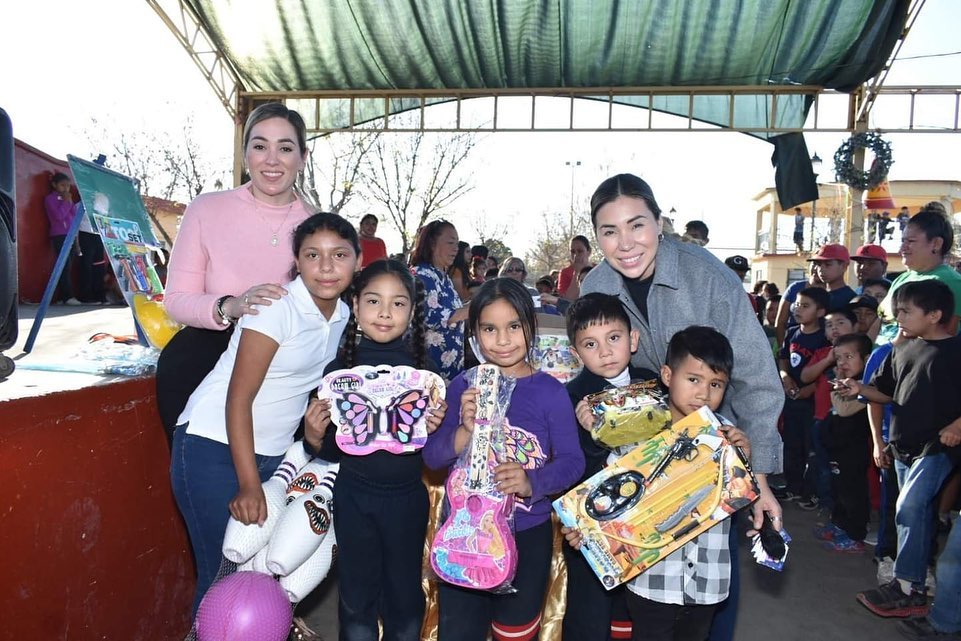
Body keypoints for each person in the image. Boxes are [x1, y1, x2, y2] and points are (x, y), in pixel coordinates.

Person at [578, 173, 783, 641]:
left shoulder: (707, 277)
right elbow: (594, 360)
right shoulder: (597, 282)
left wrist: (761, 481)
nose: (625, 244)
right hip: (644, 446)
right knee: (652, 578)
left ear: (659, 222)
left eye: (637, 226)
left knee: (712, 576)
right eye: (609, 232)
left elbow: (756, 381)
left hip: (715, 444)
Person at [169, 212, 358, 614]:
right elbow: (238, 398)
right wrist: (250, 484)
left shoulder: (342, 316)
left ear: (358, 260)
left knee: (261, 578)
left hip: (275, 455)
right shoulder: (278, 308)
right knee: (223, 578)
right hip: (214, 445)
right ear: (297, 261)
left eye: (339, 254)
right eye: (312, 255)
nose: (326, 267)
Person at [564, 325, 753, 641]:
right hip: (652, 581)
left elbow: (736, 499)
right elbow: (611, 493)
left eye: (716, 384)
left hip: (707, 580)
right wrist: (584, 527)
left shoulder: (727, 434)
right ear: (667, 375)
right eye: (693, 379)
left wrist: (743, 459)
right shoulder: (638, 431)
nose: (704, 393)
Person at [422, 277, 585, 641]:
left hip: (527, 534)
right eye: (489, 329)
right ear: (475, 335)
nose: (503, 339)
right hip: (463, 536)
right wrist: (464, 431)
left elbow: (573, 462)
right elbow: (432, 457)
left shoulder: (550, 392)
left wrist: (532, 482)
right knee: (459, 631)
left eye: (514, 326)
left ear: (531, 326)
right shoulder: (463, 385)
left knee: (514, 632)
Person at [158, 103, 313, 440]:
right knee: (206, 485)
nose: (271, 159)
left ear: (302, 156)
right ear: (245, 155)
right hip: (202, 365)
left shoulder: (318, 226)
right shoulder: (206, 209)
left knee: (276, 488)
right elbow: (176, 300)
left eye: (285, 148)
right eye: (259, 146)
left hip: (286, 378)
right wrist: (231, 306)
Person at [310, 259, 447, 641]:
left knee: (404, 597)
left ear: (413, 310)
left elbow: (435, 453)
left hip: (407, 499)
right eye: (373, 301)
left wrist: (436, 429)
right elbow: (332, 452)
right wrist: (313, 434)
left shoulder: (426, 374)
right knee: (355, 599)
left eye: (398, 303)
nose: (385, 312)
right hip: (353, 496)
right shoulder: (338, 376)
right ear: (355, 306)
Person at [838, 280, 961, 619]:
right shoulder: (901, 348)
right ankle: (914, 585)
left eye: (907, 311)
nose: (899, 318)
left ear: (935, 314)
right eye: (898, 311)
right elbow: (885, 393)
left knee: (910, 506)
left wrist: (957, 425)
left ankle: (907, 585)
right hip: (902, 444)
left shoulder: (957, 351)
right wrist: (859, 387)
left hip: (937, 446)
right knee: (910, 514)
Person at [561, 293, 657, 641]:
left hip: (646, 518)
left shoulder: (654, 384)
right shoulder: (571, 397)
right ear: (575, 354)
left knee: (633, 610)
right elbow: (569, 468)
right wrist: (589, 434)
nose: (604, 351)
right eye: (590, 343)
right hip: (591, 527)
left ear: (633, 339)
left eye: (613, 338)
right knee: (589, 611)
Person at [812, 333, 874, 553]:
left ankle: (855, 534)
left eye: (849, 356)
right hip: (837, 449)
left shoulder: (866, 386)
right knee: (838, 490)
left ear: (866, 359)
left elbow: (844, 409)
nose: (843, 363)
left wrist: (836, 388)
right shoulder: (845, 384)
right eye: (838, 358)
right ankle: (839, 525)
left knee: (853, 493)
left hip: (853, 452)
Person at [797, 307, 857, 512]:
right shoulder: (823, 353)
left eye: (841, 323)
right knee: (821, 464)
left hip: (847, 422)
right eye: (829, 325)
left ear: (854, 326)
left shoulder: (860, 352)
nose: (834, 328)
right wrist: (828, 360)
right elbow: (805, 377)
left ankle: (841, 512)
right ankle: (826, 505)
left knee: (843, 470)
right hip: (820, 418)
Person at [876, 203, 961, 346]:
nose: (902, 248)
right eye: (903, 241)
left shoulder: (951, 282)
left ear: (936, 244)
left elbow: (945, 337)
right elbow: (879, 323)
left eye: (911, 241)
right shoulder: (902, 279)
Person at [778, 286, 829, 502]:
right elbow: (783, 359)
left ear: (820, 312)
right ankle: (792, 485)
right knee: (791, 444)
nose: (798, 309)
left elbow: (825, 372)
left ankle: (810, 492)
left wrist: (809, 389)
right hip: (791, 399)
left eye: (805, 306)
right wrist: (785, 377)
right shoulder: (791, 332)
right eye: (797, 304)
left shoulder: (824, 338)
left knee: (811, 447)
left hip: (812, 403)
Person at [410, 219, 468, 382]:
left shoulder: (444, 278)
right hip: (429, 367)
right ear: (432, 244)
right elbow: (431, 316)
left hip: (450, 366)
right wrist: (473, 308)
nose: (456, 248)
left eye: (457, 243)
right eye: (450, 242)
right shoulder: (420, 275)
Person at [43, 172, 81, 305]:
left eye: (68, 186)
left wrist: (69, 201)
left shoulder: (67, 198)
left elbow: (74, 215)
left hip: (71, 235)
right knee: (63, 266)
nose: (66, 188)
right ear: (54, 185)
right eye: (62, 185)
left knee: (68, 266)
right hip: (59, 235)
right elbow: (59, 216)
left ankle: (61, 297)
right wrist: (66, 202)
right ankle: (67, 296)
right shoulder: (50, 199)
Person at [775, 264, 824, 348]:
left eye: (805, 306)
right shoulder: (794, 288)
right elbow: (780, 322)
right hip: (793, 343)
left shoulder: (832, 292)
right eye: (813, 263)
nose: (816, 267)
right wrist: (782, 348)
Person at [807, 243, 857, 311]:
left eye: (828, 265)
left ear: (844, 266)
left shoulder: (851, 299)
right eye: (818, 265)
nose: (821, 269)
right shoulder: (816, 295)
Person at [558, 235, 592, 301]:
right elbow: (567, 300)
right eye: (573, 252)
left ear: (589, 251)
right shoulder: (565, 273)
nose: (576, 255)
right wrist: (577, 272)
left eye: (580, 251)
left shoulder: (598, 270)